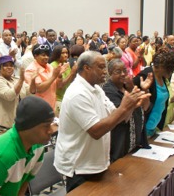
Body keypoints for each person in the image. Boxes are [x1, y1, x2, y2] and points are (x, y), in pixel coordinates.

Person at [54, 51, 149, 192]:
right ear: (87, 68)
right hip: (80, 166)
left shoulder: (97, 89)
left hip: (96, 162)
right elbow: (96, 131)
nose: (105, 71)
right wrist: (124, 108)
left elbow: (115, 116)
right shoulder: (77, 94)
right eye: (101, 67)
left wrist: (131, 106)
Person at [0, 95, 55, 195]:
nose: (51, 130)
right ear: (28, 127)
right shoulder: (1, 158)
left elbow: (25, 181)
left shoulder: (37, 146)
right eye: (46, 126)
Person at [103, 59, 152, 162]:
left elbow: (145, 108)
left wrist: (145, 91)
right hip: (120, 145)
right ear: (110, 73)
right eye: (118, 71)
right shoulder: (108, 90)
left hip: (136, 144)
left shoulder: (129, 87)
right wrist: (134, 100)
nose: (123, 74)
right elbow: (119, 117)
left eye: (125, 70)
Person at [133, 48, 174, 135]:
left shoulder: (163, 76)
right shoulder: (145, 75)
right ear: (161, 66)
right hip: (143, 129)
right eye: (170, 69)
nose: (172, 72)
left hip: (155, 127)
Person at [0, 56, 30, 134]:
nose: (9, 68)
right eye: (5, 65)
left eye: (11, 65)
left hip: (13, 126)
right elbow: (9, 96)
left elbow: (30, 91)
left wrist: (34, 80)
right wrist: (21, 80)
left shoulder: (15, 79)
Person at [25, 44, 65, 110]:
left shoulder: (49, 66)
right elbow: (39, 89)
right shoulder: (31, 69)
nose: (46, 57)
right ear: (35, 56)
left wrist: (59, 76)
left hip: (51, 106)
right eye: (43, 55)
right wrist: (54, 76)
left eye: (47, 55)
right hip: (38, 108)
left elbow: (58, 86)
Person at [49, 45, 77, 114]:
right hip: (57, 99)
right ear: (57, 54)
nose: (65, 55)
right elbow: (59, 86)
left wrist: (75, 72)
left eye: (67, 53)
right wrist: (72, 73)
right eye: (63, 53)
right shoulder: (53, 65)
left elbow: (70, 80)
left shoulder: (66, 64)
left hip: (66, 97)